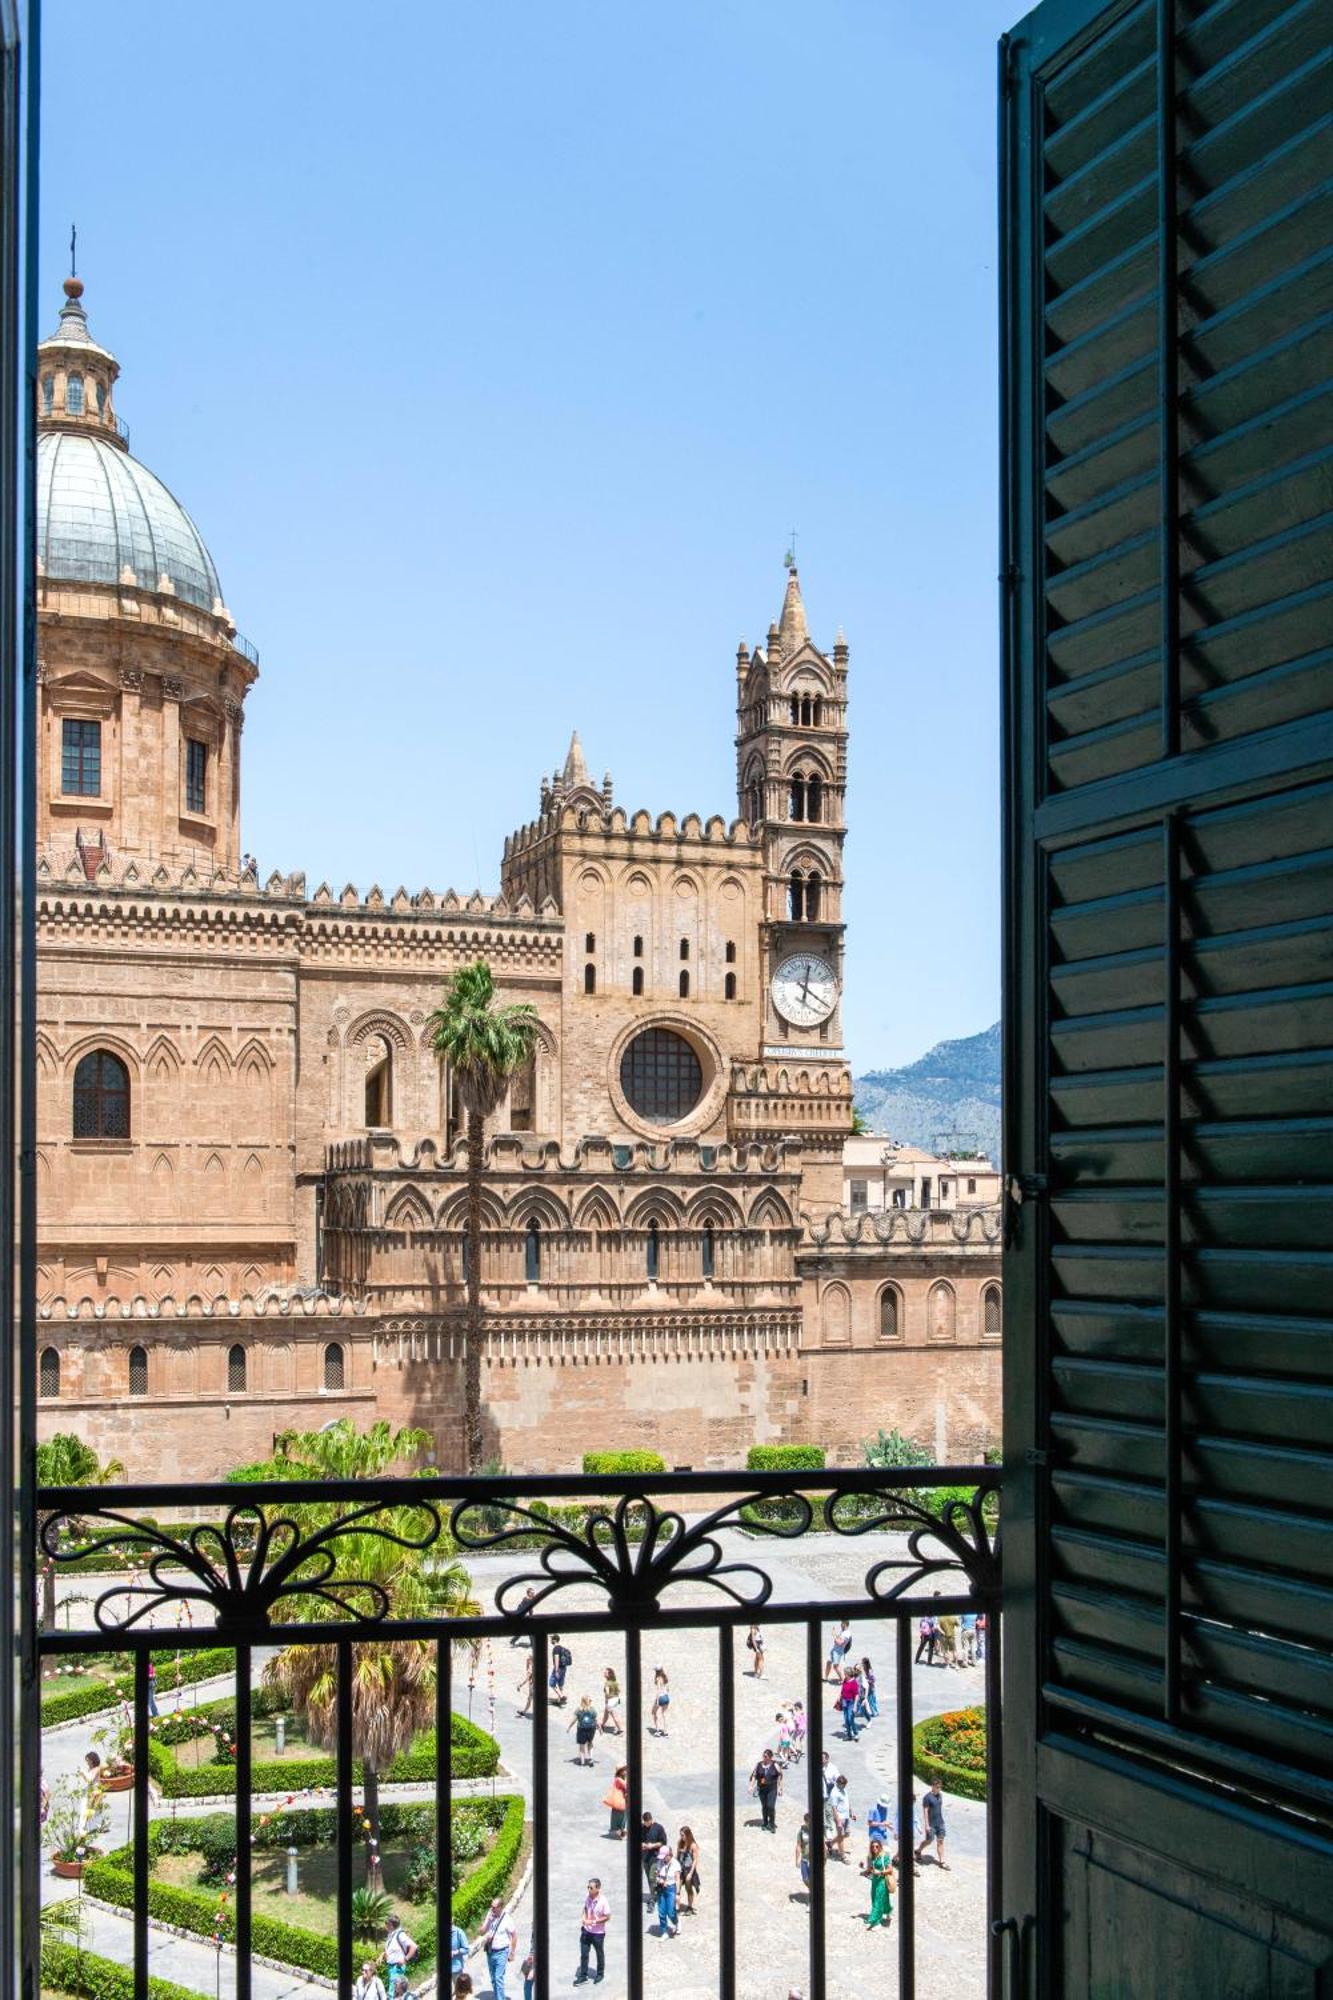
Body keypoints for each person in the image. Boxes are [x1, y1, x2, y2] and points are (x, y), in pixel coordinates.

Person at [574, 1879, 610, 1985]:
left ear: (598, 1888)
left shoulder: (603, 1901)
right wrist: (584, 1917)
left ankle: (600, 1974)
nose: (589, 1889)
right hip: (586, 1931)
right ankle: (583, 1975)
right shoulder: (588, 1897)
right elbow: (585, 1908)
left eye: (591, 1888)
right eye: (588, 1887)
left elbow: (607, 1917)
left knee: (599, 1953)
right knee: (584, 1953)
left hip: (598, 1933)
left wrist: (593, 1921)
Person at [480, 1898, 515, 1997]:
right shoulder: (490, 1915)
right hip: (490, 1951)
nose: (492, 1909)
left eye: (494, 1907)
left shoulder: (507, 1919)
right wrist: (488, 1922)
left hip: (502, 1952)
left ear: (500, 1907)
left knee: (498, 1977)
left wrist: (512, 1952)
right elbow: (481, 1932)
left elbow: (514, 1935)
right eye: (491, 1906)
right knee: (493, 1978)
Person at [862, 1837, 896, 1930]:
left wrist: (880, 1872)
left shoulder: (884, 1856)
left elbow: (890, 1869)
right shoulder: (871, 1857)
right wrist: (865, 1871)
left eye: (877, 1846)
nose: (874, 1848)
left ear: (880, 1847)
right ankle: (888, 1911)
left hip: (882, 1881)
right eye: (873, 1847)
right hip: (874, 1881)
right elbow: (870, 1869)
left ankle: (876, 1922)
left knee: (877, 1900)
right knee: (881, 1899)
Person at [383, 1915, 418, 2000]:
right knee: (395, 1991)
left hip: (397, 1967)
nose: (385, 1926)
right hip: (392, 1967)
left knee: (393, 1991)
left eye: (386, 1924)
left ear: (391, 1925)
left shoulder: (400, 1934)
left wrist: (405, 1959)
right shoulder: (391, 1935)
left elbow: (414, 1946)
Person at [916, 1778, 949, 1868]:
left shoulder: (940, 1796)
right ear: (933, 1787)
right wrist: (927, 1825)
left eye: (940, 1787)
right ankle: (918, 1850)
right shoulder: (927, 1798)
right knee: (929, 1841)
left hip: (940, 1823)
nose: (939, 1789)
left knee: (941, 1841)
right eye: (937, 1787)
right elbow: (925, 1812)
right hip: (931, 1824)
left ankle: (942, 1861)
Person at [749, 1747, 783, 1831]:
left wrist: (780, 1788)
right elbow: (754, 1775)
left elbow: (780, 1775)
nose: (764, 1758)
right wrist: (751, 1786)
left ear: (770, 1757)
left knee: (770, 1806)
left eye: (766, 1756)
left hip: (772, 1789)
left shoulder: (775, 1765)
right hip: (762, 1788)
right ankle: (765, 1822)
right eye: (763, 1756)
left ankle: (771, 1823)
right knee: (764, 1806)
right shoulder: (759, 1764)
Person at [639, 1809, 668, 1906]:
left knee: (653, 1877)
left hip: (655, 1857)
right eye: (645, 1823)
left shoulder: (658, 1828)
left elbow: (663, 1842)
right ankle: (654, 1895)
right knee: (649, 1878)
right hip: (645, 1857)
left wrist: (653, 1845)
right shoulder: (642, 1828)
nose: (647, 1824)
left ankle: (655, 1897)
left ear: (651, 1820)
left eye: (648, 1822)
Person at [653, 1841, 680, 1938]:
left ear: (669, 1855)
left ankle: (676, 1922)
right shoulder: (659, 1862)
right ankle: (664, 1931)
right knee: (661, 1911)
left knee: (671, 1912)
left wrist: (677, 1893)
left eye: (664, 1856)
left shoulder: (675, 1864)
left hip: (671, 1889)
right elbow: (656, 1875)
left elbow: (677, 1880)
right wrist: (659, 1880)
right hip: (661, 1889)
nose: (663, 1859)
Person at [676, 1825, 700, 1913]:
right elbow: (677, 1855)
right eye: (680, 1835)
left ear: (687, 1835)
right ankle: (677, 1907)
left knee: (688, 1888)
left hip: (689, 1869)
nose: (681, 1837)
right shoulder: (680, 1842)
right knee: (677, 1887)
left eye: (683, 1835)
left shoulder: (693, 1845)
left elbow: (695, 1860)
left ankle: (689, 1907)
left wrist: (690, 1873)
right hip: (680, 1868)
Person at [569, 1693, 599, 1765]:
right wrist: (600, 1729)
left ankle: (582, 1762)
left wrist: (569, 1727)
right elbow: (596, 1720)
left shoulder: (578, 1709)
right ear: (589, 1701)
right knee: (590, 1743)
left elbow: (574, 1720)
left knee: (582, 1745)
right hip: (591, 1728)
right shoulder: (593, 1710)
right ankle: (590, 1758)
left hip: (581, 1729)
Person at [829, 1774, 852, 1860]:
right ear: (839, 1783)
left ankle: (830, 1843)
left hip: (846, 1816)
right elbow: (834, 1808)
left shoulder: (844, 1789)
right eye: (843, 1785)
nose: (845, 1786)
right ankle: (842, 1856)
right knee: (841, 1836)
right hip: (840, 1817)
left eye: (845, 1785)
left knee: (846, 1834)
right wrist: (838, 1821)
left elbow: (847, 1801)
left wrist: (851, 1812)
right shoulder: (834, 1793)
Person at [602, 1765, 627, 1838]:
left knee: (621, 1817)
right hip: (620, 1803)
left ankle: (620, 1831)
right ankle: (619, 1831)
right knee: (619, 1817)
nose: (625, 1772)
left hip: (621, 1803)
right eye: (623, 1770)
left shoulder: (620, 1779)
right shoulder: (618, 1779)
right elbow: (627, 1786)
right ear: (620, 1772)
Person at [826, 1617, 853, 1682]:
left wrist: (834, 1636)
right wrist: (835, 1633)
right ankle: (826, 1678)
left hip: (838, 1651)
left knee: (836, 1666)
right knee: (829, 1662)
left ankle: (843, 1679)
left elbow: (840, 1643)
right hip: (834, 1649)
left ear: (845, 1624)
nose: (840, 1624)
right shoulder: (843, 1631)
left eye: (842, 1623)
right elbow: (839, 1638)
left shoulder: (847, 1633)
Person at [549, 1635, 573, 1706]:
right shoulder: (562, 1648)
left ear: (554, 1640)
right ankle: (560, 1700)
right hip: (564, 1668)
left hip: (558, 1668)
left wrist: (556, 1670)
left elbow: (557, 1659)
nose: (550, 1641)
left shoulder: (556, 1649)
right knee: (560, 1684)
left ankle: (561, 1696)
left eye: (551, 1639)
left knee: (551, 1683)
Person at [839, 1666, 861, 1740]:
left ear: (848, 1674)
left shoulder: (854, 1682)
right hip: (844, 1701)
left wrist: (855, 1706)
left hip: (851, 1702)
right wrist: (839, 1698)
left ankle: (855, 1733)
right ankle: (849, 1735)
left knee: (850, 1719)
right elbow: (842, 1690)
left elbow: (857, 1695)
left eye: (845, 1673)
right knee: (846, 1719)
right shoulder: (845, 1680)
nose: (844, 1674)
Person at [599, 1667, 622, 1735]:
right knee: (606, 1714)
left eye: (605, 1673)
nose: (604, 1673)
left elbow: (607, 1694)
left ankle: (620, 1729)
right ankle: (602, 1725)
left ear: (609, 1674)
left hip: (610, 1701)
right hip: (616, 1699)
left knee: (614, 1715)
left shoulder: (607, 1683)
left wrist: (607, 1701)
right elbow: (618, 1691)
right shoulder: (615, 1682)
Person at [794, 1810, 812, 1894]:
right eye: (808, 1822)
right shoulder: (801, 1832)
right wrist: (797, 1860)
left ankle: (813, 1893)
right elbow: (798, 1846)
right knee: (805, 1879)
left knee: (813, 1878)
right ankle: (812, 1890)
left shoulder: (816, 1831)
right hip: (804, 1859)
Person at [649, 1666, 670, 1736]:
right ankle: (666, 1731)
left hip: (661, 1697)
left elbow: (658, 1690)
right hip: (666, 1697)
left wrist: (657, 1700)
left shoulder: (658, 1679)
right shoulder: (665, 1678)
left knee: (653, 1712)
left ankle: (657, 1730)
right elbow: (668, 1689)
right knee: (664, 1714)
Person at [858, 1656, 878, 1721]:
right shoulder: (865, 1669)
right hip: (866, 1688)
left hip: (870, 1688)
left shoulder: (869, 1670)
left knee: (871, 1700)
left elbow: (873, 1679)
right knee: (863, 1699)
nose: (861, 1664)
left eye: (862, 1663)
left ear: (865, 1663)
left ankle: (875, 1712)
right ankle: (862, 1712)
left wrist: (867, 1680)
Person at [516, 1653, 533, 1718]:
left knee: (530, 1698)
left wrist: (520, 1685)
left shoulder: (531, 1668)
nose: (527, 1659)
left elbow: (527, 1678)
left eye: (528, 1658)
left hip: (533, 1685)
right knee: (530, 1698)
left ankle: (524, 1711)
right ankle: (524, 1711)